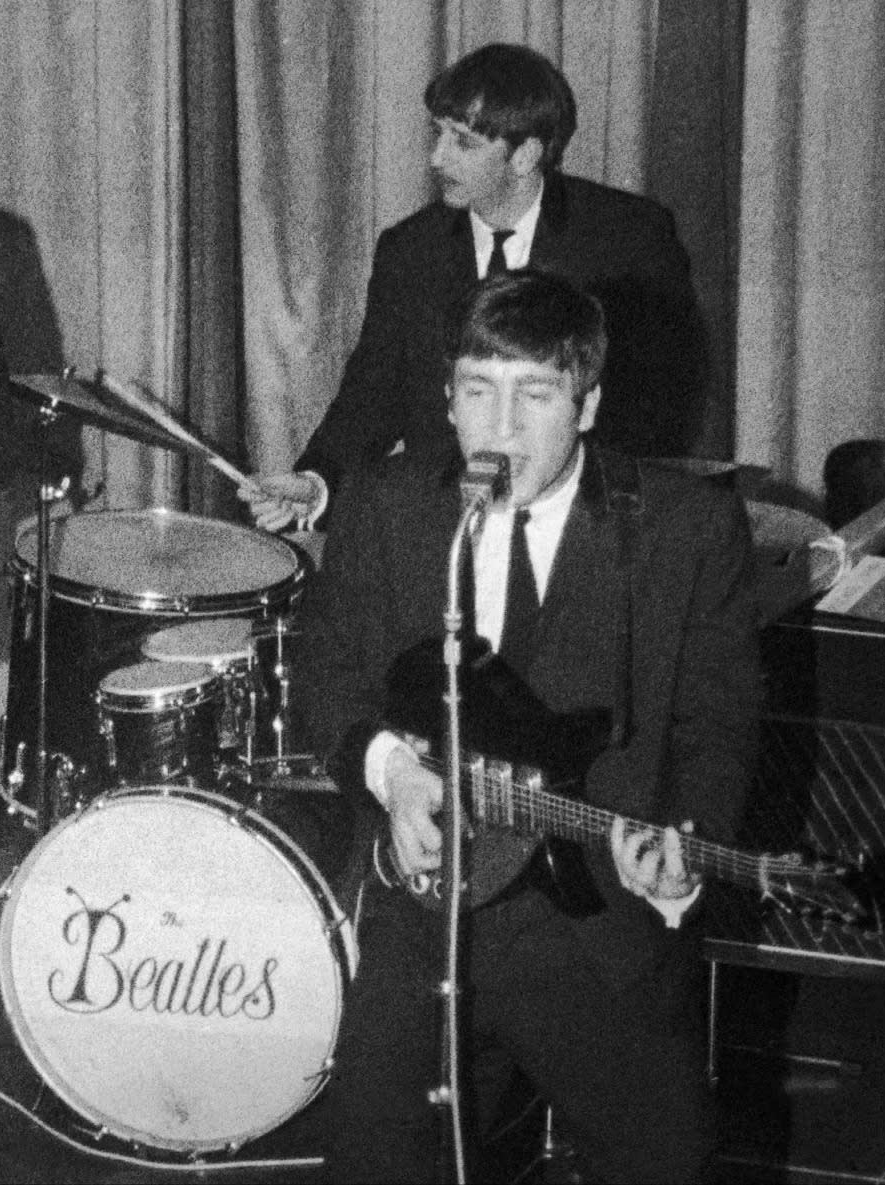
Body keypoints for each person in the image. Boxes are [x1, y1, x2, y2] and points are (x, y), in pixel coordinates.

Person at [295, 269, 761, 1183]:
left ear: (586, 405)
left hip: (594, 923)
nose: (500, 428)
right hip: (423, 908)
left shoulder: (685, 528)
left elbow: (720, 724)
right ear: (446, 397)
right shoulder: (385, 503)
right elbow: (330, 673)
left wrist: (687, 838)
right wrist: (391, 773)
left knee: (669, 1164)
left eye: (534, 395)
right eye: (477, 391)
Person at [239, 41, 708, 533]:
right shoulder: (409, 249)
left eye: (463, 142)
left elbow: (662, 403)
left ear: (525, 155)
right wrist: (317, 482)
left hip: (583, 527)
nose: (436, 158)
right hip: (442, 530)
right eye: (438, 134)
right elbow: (372, 394)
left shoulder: (628, 237)